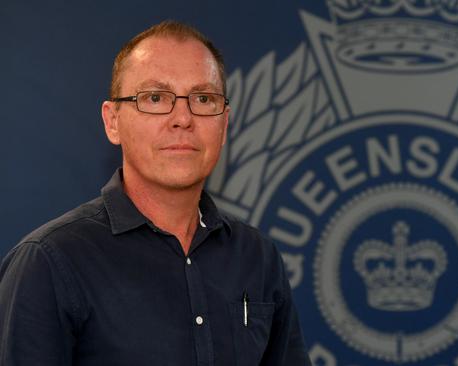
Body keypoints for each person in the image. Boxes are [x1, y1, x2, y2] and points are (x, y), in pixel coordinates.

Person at [0, 20, 311, 366]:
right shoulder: (49, 263)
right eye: (155, 97)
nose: (182, 118)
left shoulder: (257, 257)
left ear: (224, 123)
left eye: (204, 98)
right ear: (112, 121)